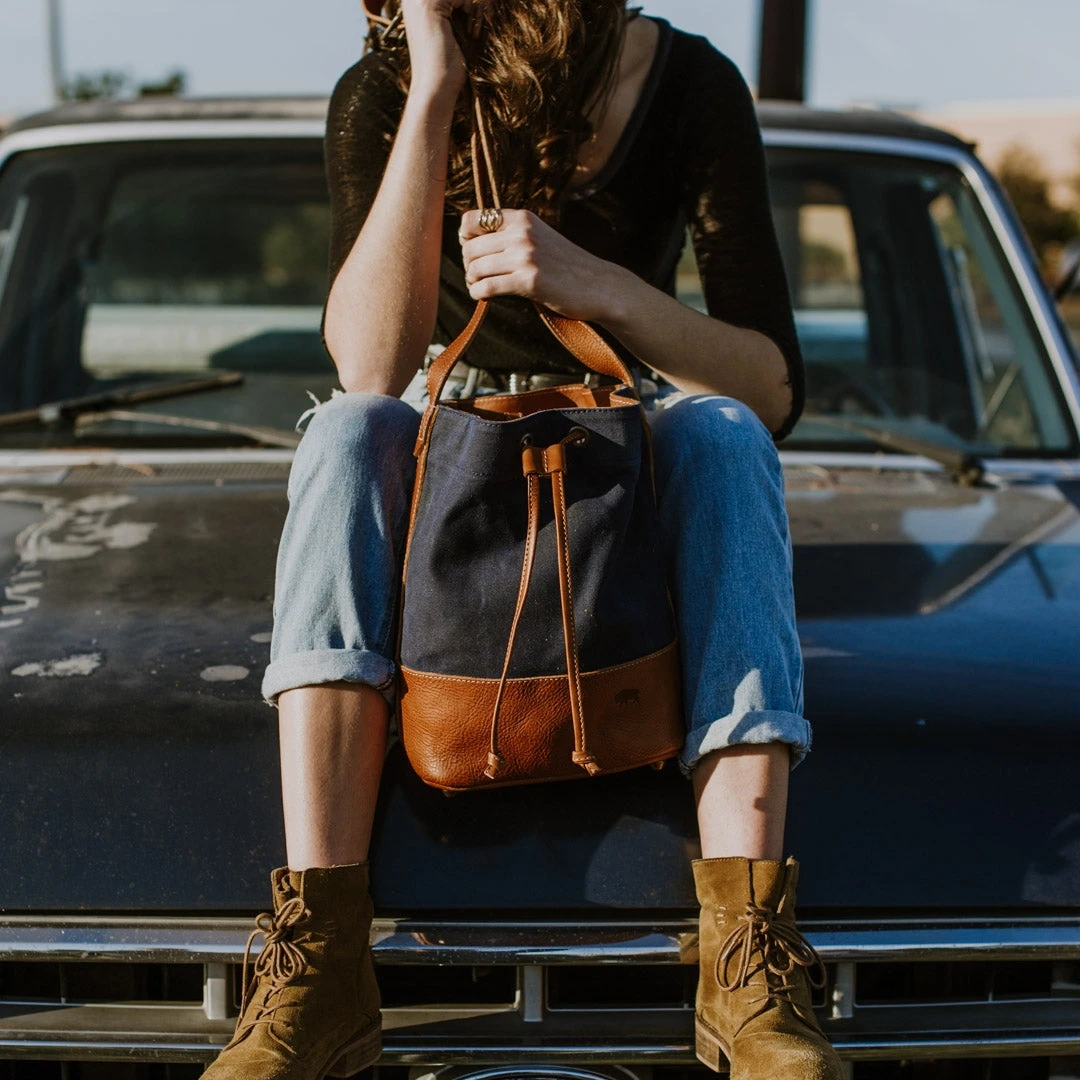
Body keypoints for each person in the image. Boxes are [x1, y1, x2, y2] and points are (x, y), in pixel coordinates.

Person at [201, 0, 844, 1078]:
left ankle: (748, 957)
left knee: (727, 434)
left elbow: (771, 388)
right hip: (433, 460)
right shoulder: (387, 86)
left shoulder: (690, 83)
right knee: (348, 427)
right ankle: (320, 964)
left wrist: (595, 285)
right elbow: (368, 363)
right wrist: (436, 88)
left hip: (617, 445)